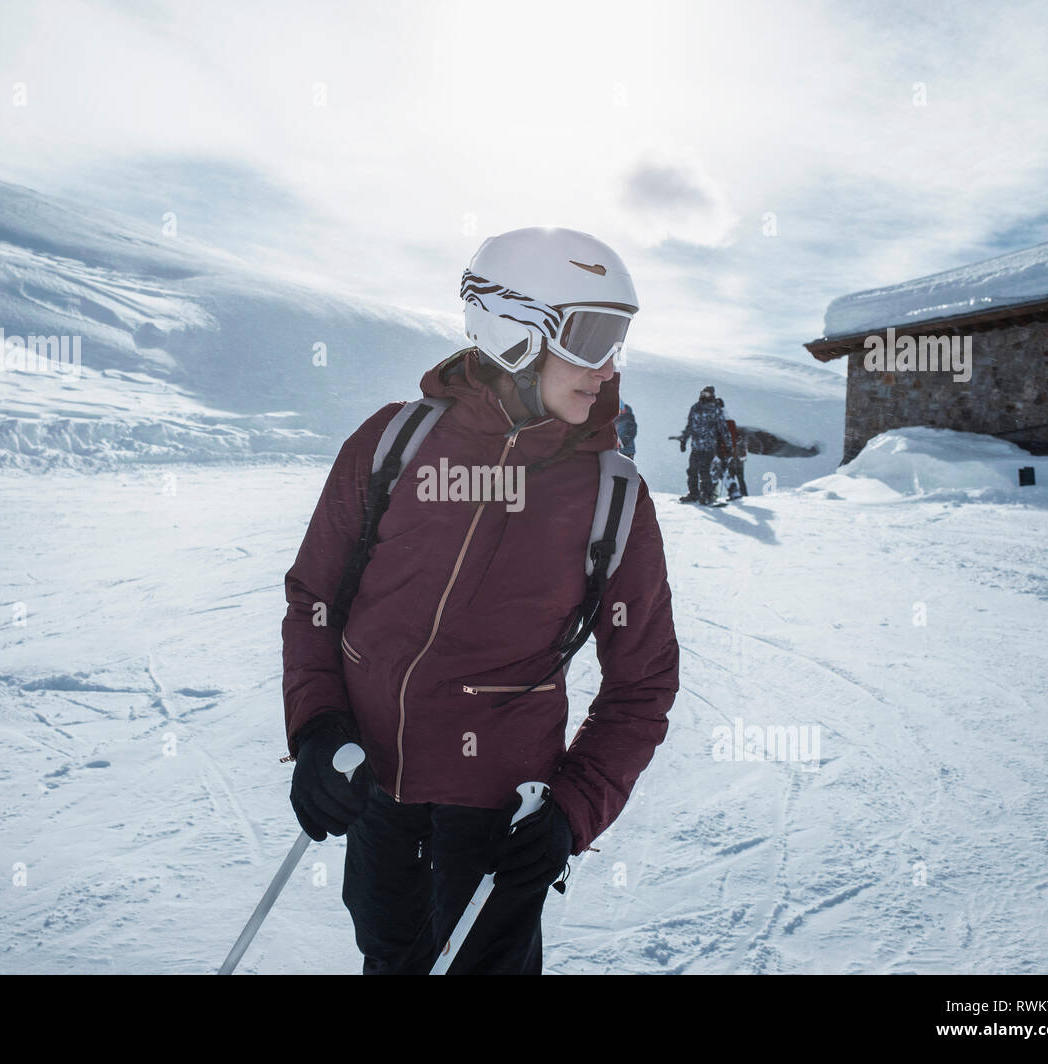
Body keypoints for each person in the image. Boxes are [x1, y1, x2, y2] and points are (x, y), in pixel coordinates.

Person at [281, 226, 679, 975]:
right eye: (591, 336)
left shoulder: (611, 495)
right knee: (389, 961)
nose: (607, 367)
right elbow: (315, 600)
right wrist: (317, 727)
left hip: (501, 822)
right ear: (513, 331)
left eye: (617, 341)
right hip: (375, 790)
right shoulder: (392, 444)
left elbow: (643, 682)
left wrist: (571, 810)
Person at [677, 385, 731, 504]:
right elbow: (690, 425)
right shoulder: (695, 408)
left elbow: (723, 428)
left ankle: (706, 495)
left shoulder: (715, 409)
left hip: (709, 447)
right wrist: (684, 440)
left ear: (712, 395)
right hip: (696, 446)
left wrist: (728, 444)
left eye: (706, 394)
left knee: (705, 471)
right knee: (692, 471)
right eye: (702, 393)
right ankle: (693, 494)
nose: (703, 396)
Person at [715, 396, 747, 499]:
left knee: (728, 474)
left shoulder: (722, 421)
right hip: (733, 454)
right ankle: (740, 494)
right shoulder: (730, 422)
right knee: (736, 476)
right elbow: (738, 440)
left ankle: (732, 493)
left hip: (729, 454)